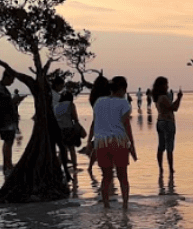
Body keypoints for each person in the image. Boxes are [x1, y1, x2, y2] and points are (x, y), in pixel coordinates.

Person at [92, 75, 137, 208]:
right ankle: (125, 206)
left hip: (101, 143)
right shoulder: (124, 103)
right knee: (122, 176)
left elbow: (96, 122)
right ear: (123, 89)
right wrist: (132, 147)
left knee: (106, 177)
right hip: (118, 142)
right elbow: (126, 126)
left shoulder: (98, 102)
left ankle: (106, 206)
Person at [0, 70, 21, 176]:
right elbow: (2, 104)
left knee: (8, 142)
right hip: (4, 121)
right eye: (11, 80)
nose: (12, 82)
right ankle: (8, 164)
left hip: (5, 120)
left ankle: (7, 164)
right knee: (8, 142)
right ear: (6, 77)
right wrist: (14, 101)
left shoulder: (1, 89)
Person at [153, 76, 183, 175]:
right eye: (166, 84)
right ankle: (170, 168)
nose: (167, 86)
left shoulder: (157, 97)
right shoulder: (163, 97)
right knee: (169, 146)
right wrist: (179, 99)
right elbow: (174, 108)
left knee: (161, 146)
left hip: (160, 121)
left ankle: (161, 168)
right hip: (168, 122)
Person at [86, 75, 111, 175]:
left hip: (98, 122)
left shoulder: (94, 96)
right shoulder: (107, 95)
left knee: (97, 145)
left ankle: (90, 167)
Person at [54, 89, 83, 175]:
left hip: (59, 129)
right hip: (69, 129)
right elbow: (75, 118)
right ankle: (74, 167)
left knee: (62, 149)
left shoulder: (57, 105)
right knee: (72, 149)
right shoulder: (70, 104)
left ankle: (58, 167)